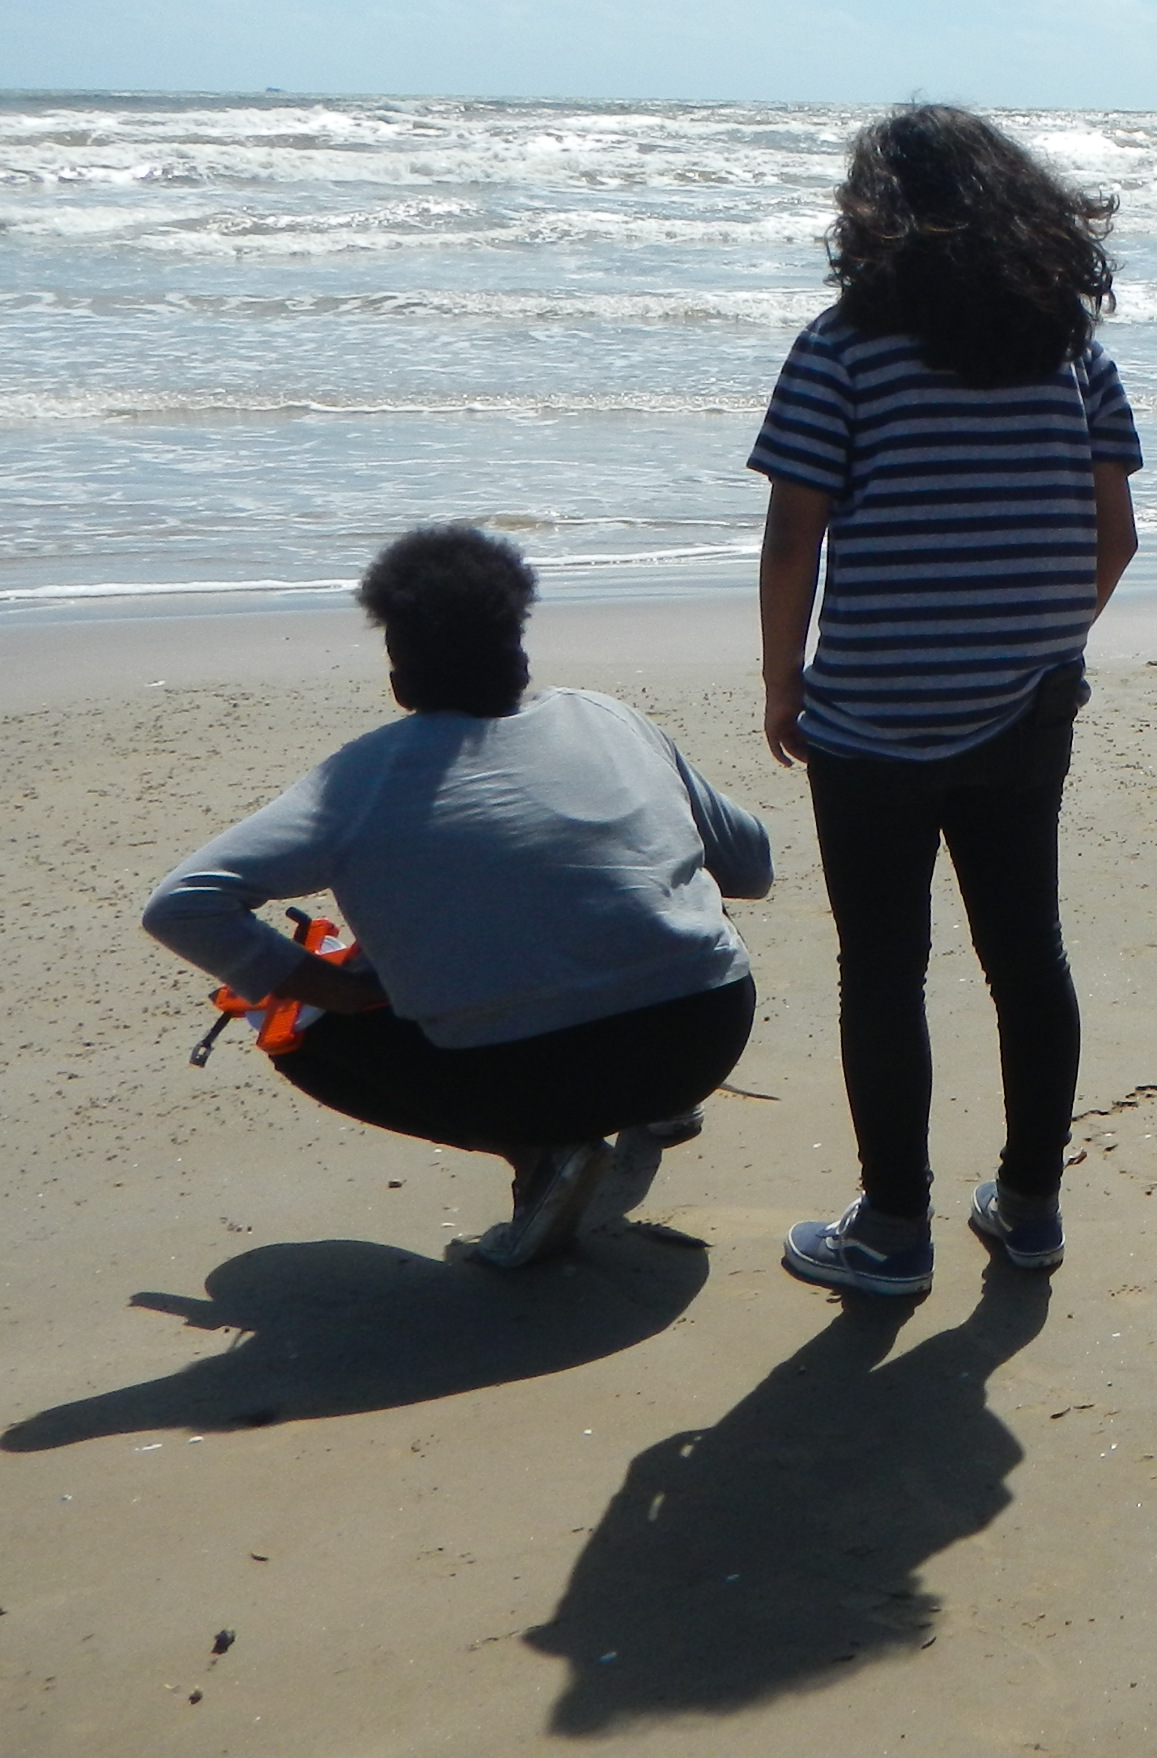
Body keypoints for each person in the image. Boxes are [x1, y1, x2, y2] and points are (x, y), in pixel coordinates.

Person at [750, 104, 1142, 1301]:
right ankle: (1029, 1205)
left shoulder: (844, 345)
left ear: (869, 215)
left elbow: (792, 539)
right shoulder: (1064, 349)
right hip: (1025, 705)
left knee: (884, 967)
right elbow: (1115, 535)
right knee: (1028, 953)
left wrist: (781, 679)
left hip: (873, 717)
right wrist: (1033, 649)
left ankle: (892, 1227)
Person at [142, 525, 768, 1268]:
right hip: (703, 1038)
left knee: (281, 1014)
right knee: (677, 871)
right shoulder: (608, 719)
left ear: (400, 678)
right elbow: (750, 865)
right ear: (519, 654)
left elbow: (183, 904)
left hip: (516, 1079)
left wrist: (328, 989)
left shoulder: (357, 782)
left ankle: (535, 1155)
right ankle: (662, 1108)